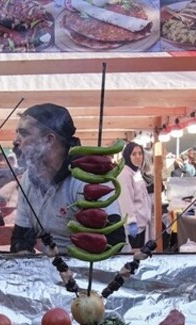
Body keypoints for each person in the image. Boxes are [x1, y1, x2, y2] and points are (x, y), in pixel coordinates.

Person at [10, 103, 124, 252]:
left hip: (94, 271)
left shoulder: (87, 180)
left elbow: (113, 241)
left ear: (49, 140)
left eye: (24, 133)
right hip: (52, 269)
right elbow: (21, 238)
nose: (15, 141)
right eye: (17, 133)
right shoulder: (28, 179)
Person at [118, 141, 153, 249]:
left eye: (140, 153)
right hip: (134, 225)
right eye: (134, 154)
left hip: (142, 223)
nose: (138, 157)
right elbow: (126, 200)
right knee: (134, 255)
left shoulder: (136, 172)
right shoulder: (124, 174)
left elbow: (141, 193)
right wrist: (131, 221)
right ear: (127, 156)